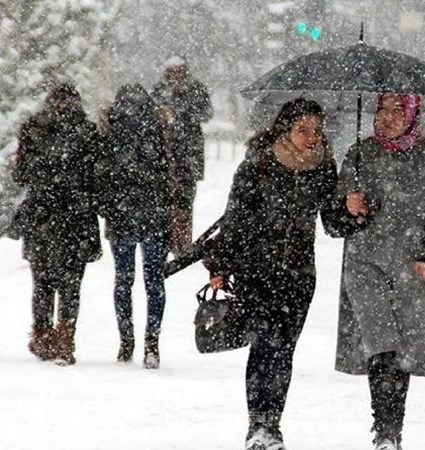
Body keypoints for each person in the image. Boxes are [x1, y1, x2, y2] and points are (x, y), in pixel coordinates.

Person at [203, 98, 337, 450]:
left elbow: (335, 224)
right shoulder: (258, 166)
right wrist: (220, 265)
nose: (311, 137)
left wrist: (352, 208)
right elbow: (235, 221)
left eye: (317, 131)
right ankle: (258, 425)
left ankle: (272, 423)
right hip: (256, 272)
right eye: (303, 130)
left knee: (283, 351)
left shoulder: (323, 168)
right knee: (264, 345)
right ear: (285, 130)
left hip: (299, 274)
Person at [324, 93, 425, 450]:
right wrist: (349, 207)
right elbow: (333, 223)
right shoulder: (358, 154)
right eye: (383, 109)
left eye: (399, 110)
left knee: (402, 349)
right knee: (381, 344)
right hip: (365, 265)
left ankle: (392, 428)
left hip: (410, 265)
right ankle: (385, 430)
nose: (389, 117)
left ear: (412, 115)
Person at [12, 83, 103, 365]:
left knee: (42, 283)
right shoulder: (87, 132)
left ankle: (44, 336)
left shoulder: (34, 128)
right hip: (76, 217)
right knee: (70, 283)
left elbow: (21, 174)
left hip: (43, 216)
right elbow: (96, 176)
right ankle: (65, 338)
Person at [100, 84, 172, 368]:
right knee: (154, 281)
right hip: (153, 214)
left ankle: (126, 339)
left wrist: (108, 205)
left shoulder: (110, 130)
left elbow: (102, 174)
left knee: (123, 280)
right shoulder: (158, 129)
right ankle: (151, 341)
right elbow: (169, 174)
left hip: (122, 215)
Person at [151, 56, 213, 255]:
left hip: (189, 154)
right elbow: (151, 114)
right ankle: (167, 240)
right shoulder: (159, 90)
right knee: (165, 201)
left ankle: (183, 243)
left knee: (185, 202)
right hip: (164, 154)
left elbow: (206, 113)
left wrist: (184, 110)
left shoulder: (195, 89)